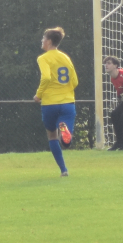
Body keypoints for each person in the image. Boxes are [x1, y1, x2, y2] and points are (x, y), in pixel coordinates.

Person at [34, 27, 78, 175]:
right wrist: (66, 91)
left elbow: (46, 77)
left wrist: (38, 95)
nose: (42, 41)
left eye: (43, 38)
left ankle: (63, 169)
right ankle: (65, 134)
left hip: (50, 103)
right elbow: (75, 81)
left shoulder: (43, 58)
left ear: (49, 41)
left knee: (52, 136)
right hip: (67, 102)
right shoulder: (65, 57)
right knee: (66, 140)